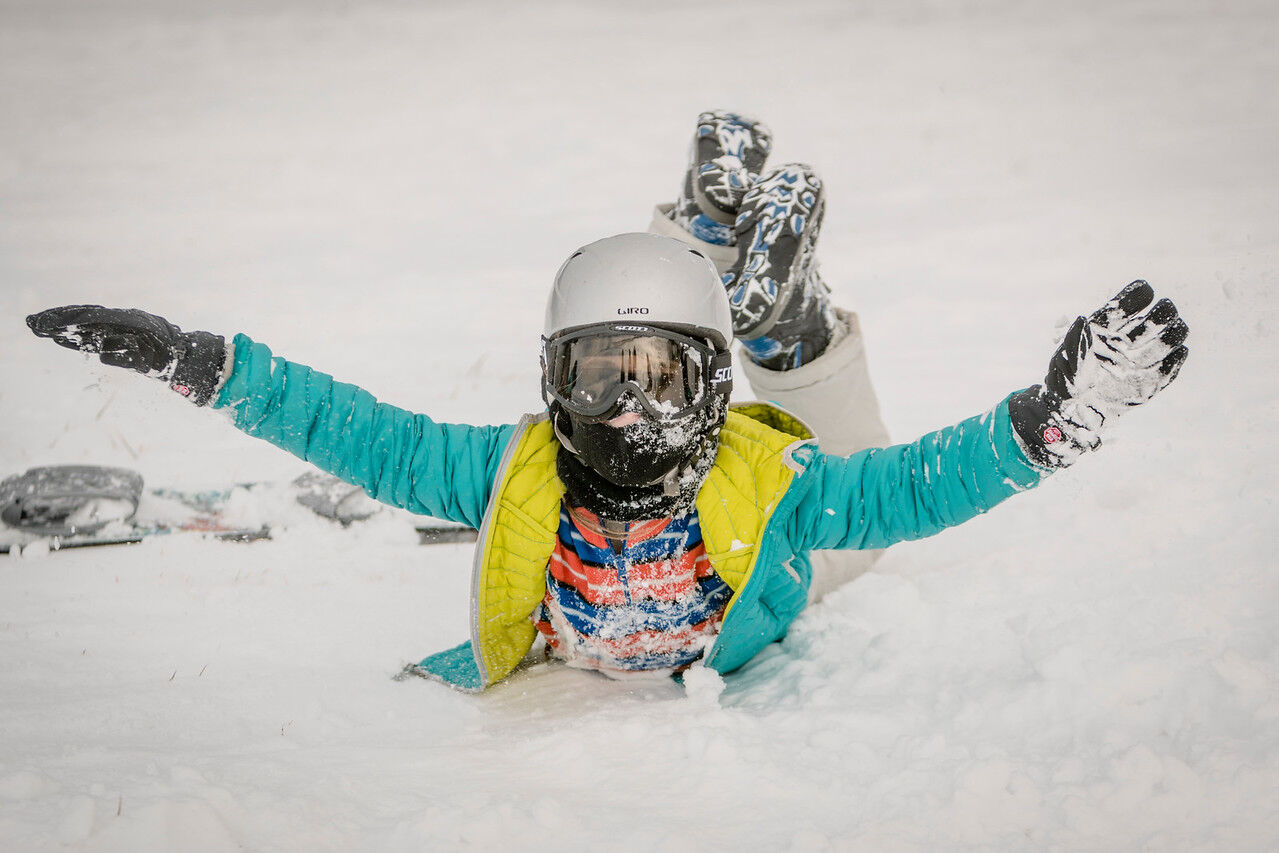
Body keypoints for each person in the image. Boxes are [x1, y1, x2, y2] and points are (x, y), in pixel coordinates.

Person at [24, 111, 1189, 692]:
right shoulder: (505, 471)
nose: (629, 413)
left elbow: (909, 487)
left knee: (856, 541)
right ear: (550, 386)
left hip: (772, 548)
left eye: (661, 376)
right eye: (600, 376)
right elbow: (353, 431)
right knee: (842, 504)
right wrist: (202, 361)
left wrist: (1052, 417)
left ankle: (757, 302)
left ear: (711, 388)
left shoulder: (765, 481)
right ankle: (739, 283)